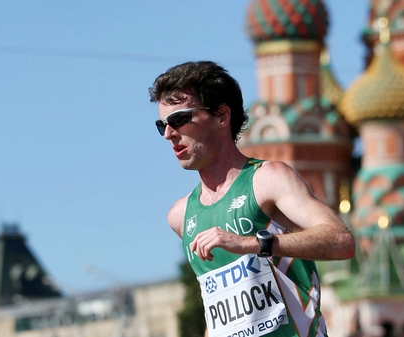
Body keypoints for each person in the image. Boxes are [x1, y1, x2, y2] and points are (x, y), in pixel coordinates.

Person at [150, 61, 356, 337]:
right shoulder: (180, 216)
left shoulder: (267, 179)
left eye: (179, 120)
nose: (168, 134)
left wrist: (249, 244)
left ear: (222, 116)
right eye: (161, 124)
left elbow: (341, 241)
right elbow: (221, 316)